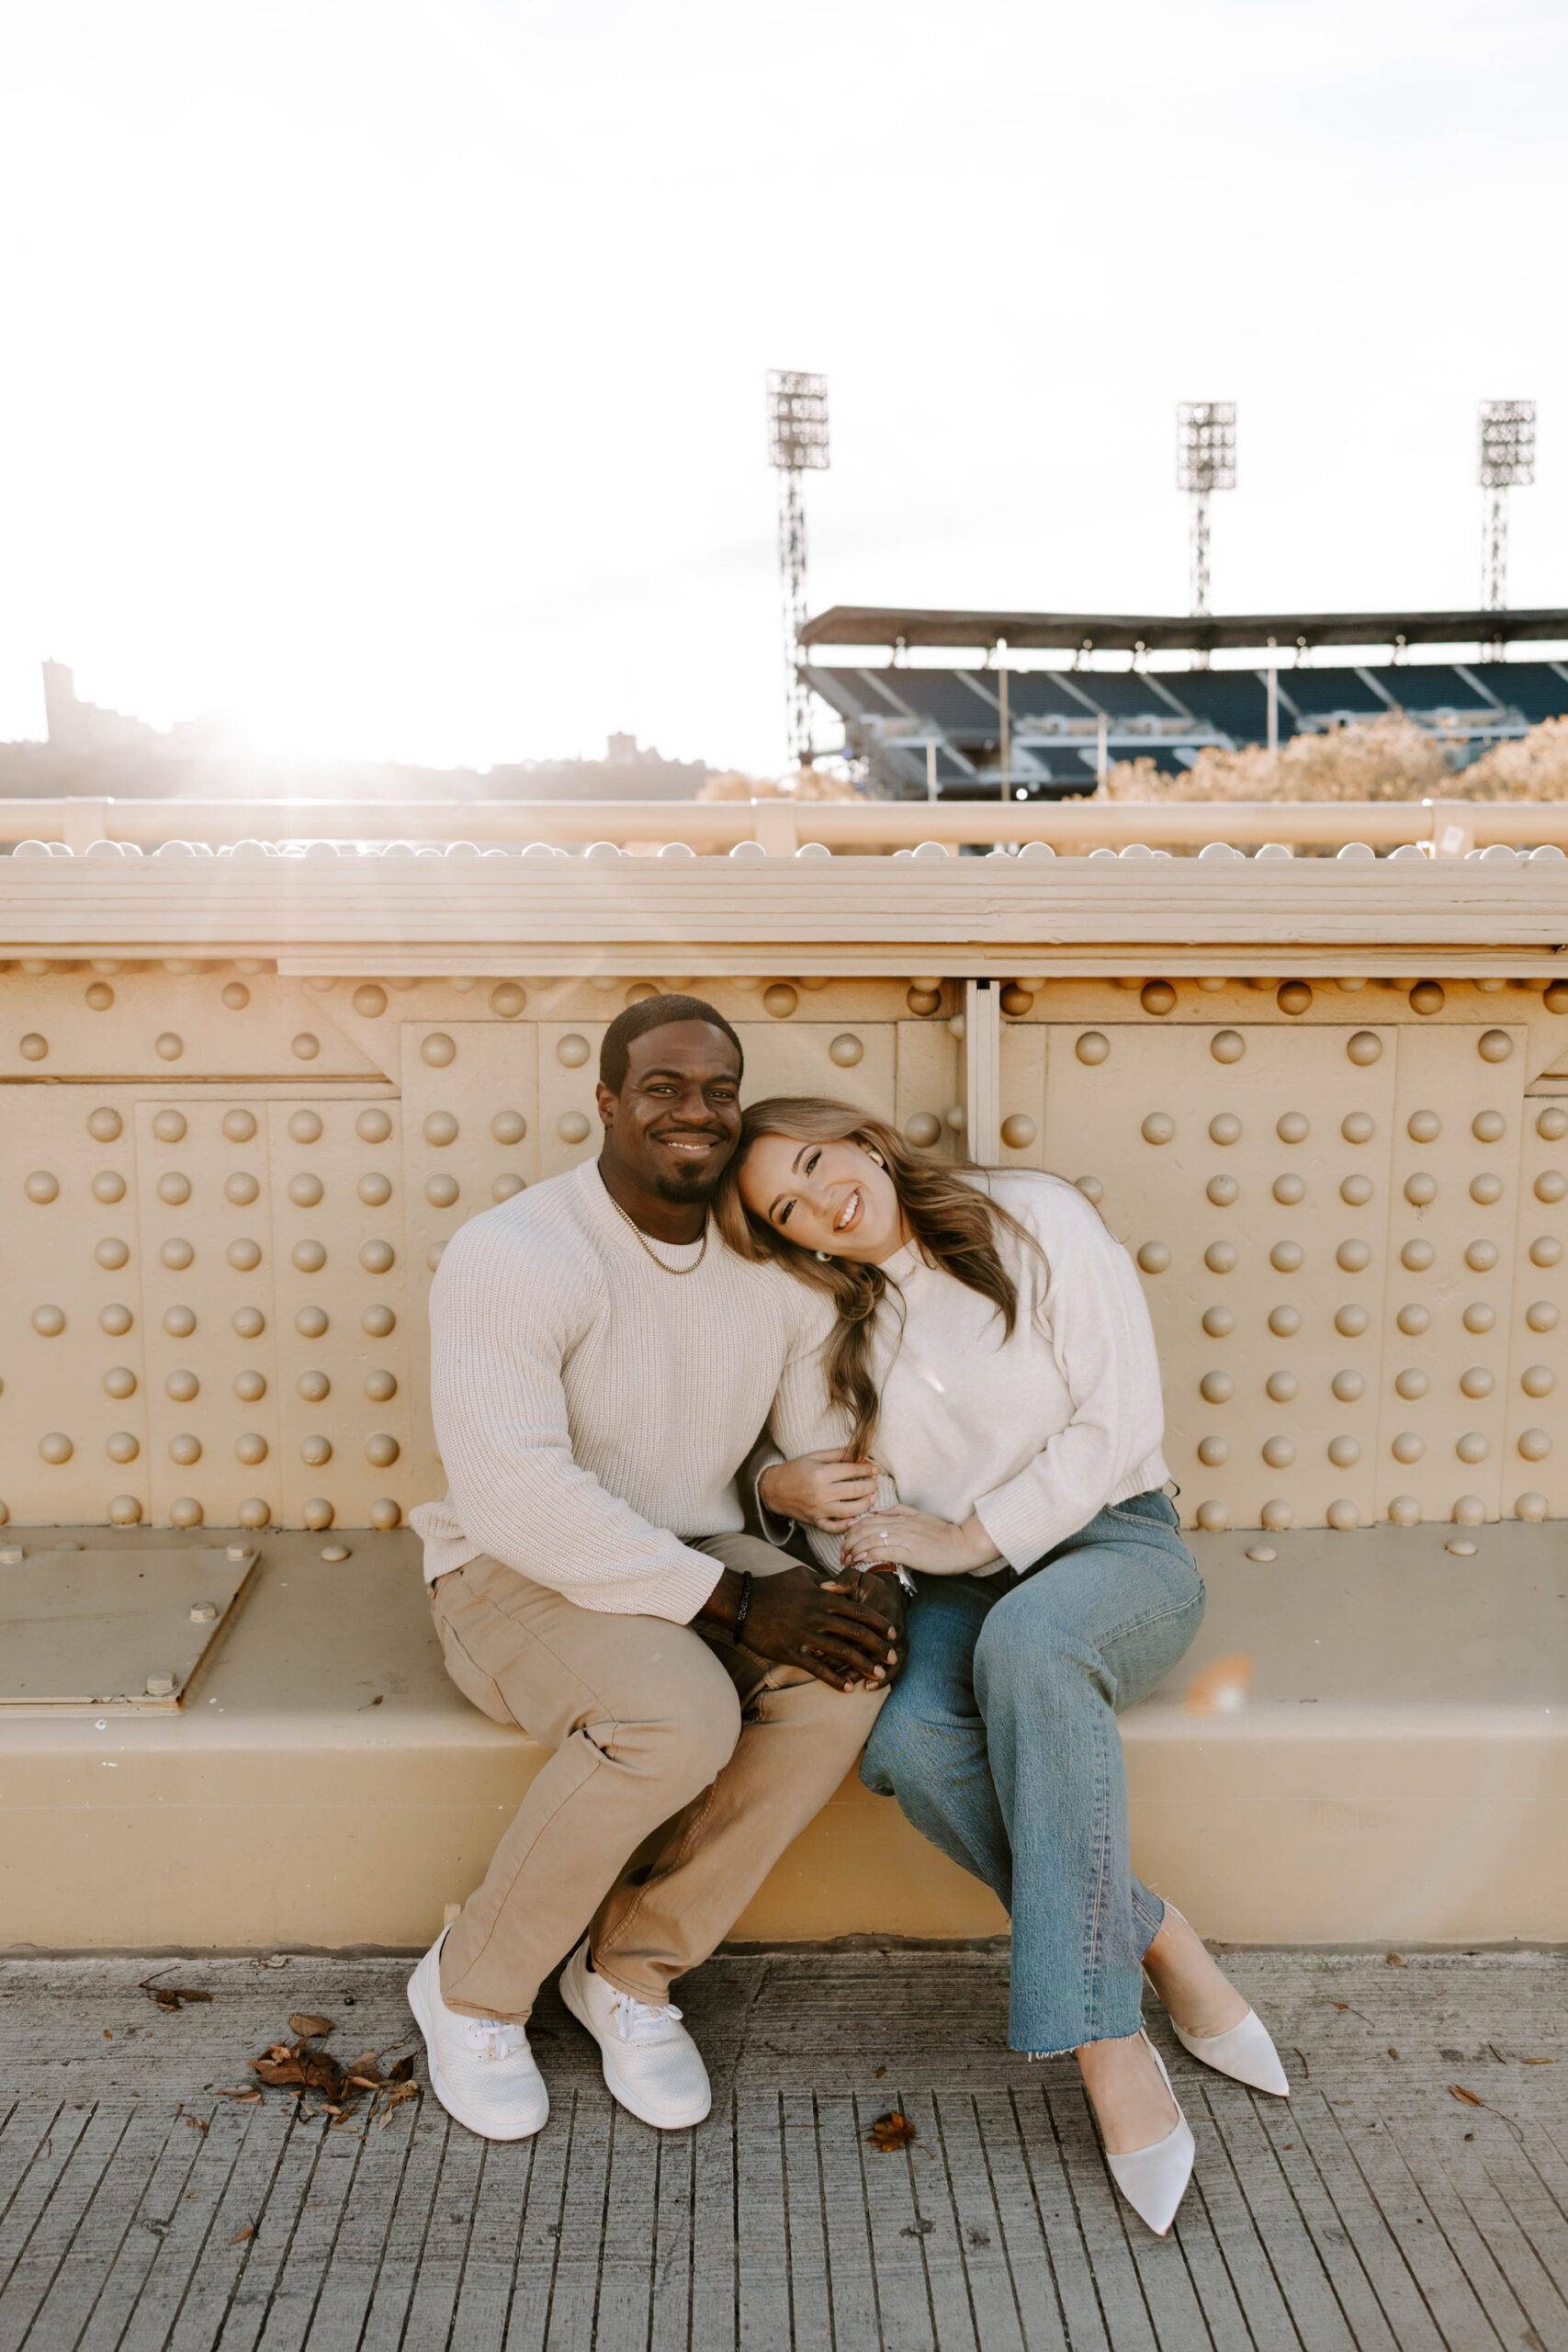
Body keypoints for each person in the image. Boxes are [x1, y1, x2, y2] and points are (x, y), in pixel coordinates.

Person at [718, 1096, 1288, 2238]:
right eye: (788, 1209)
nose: (823, 1201)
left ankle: (1107, 2045)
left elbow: (1118, 1422)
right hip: (957, 1588)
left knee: (1034, 1644)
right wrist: (803, 1500)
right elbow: (846, 1504)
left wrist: (973, 1533)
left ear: (864, 1141)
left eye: (819, 1162)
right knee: (909, 1739)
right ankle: (1152, 1932)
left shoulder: (1033, 1216)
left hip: (1116, 1543)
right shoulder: (828, 1320)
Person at [407, 1004, 902, 2143]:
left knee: (850, 1668)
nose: (696, 1111)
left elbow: (822, 1450)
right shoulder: (517, 1253)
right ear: (608, 1102)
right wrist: (734, 1599)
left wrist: (864, 1566)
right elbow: (515, 1492)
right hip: (510, 1569)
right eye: (663, 1087)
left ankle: (628, 1969)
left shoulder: (770, 1267)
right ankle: (473, 1989)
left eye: (719, 1090)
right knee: (677, 1717)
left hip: (689, 1549)